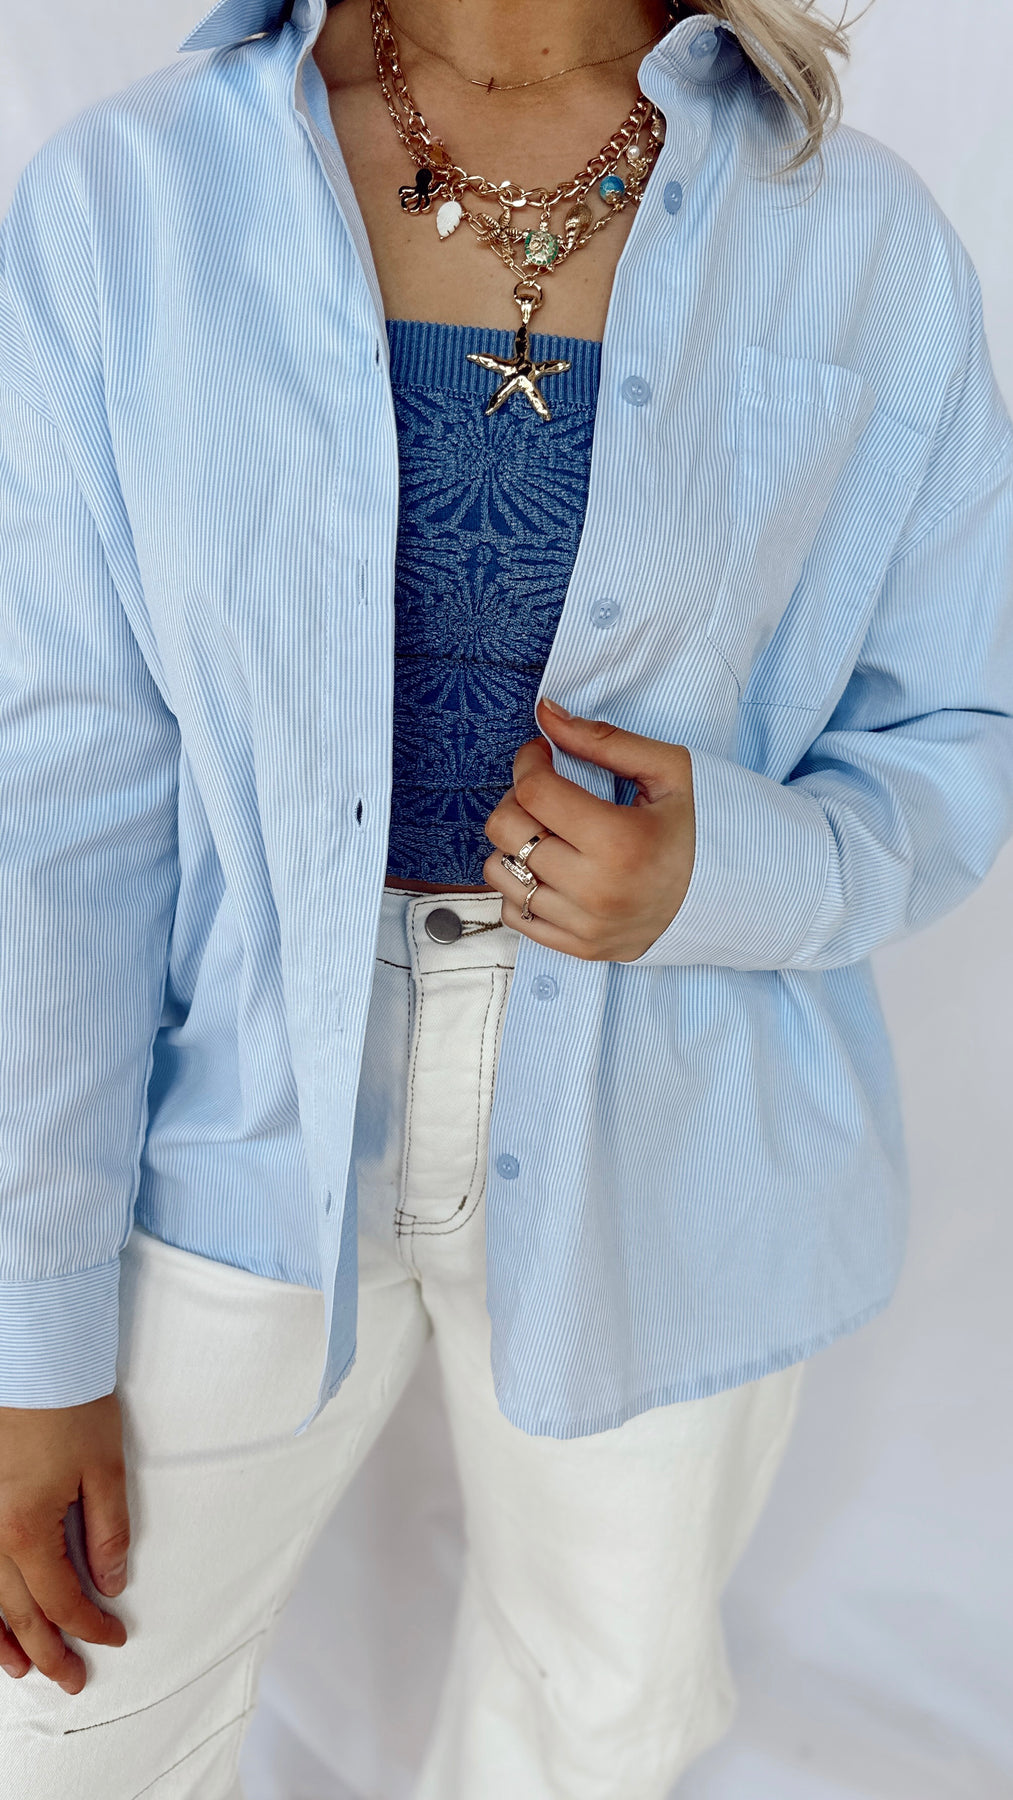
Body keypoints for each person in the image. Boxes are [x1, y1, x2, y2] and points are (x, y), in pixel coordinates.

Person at [1, 0, 1011, 1793]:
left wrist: (724, 870)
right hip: (220, 1119)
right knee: (69, 1730)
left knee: (588, 1725)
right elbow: (57, 797)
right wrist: (32, 1331)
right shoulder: (133, 202)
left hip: (682, 1139)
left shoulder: (855, 235)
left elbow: (958, 728)